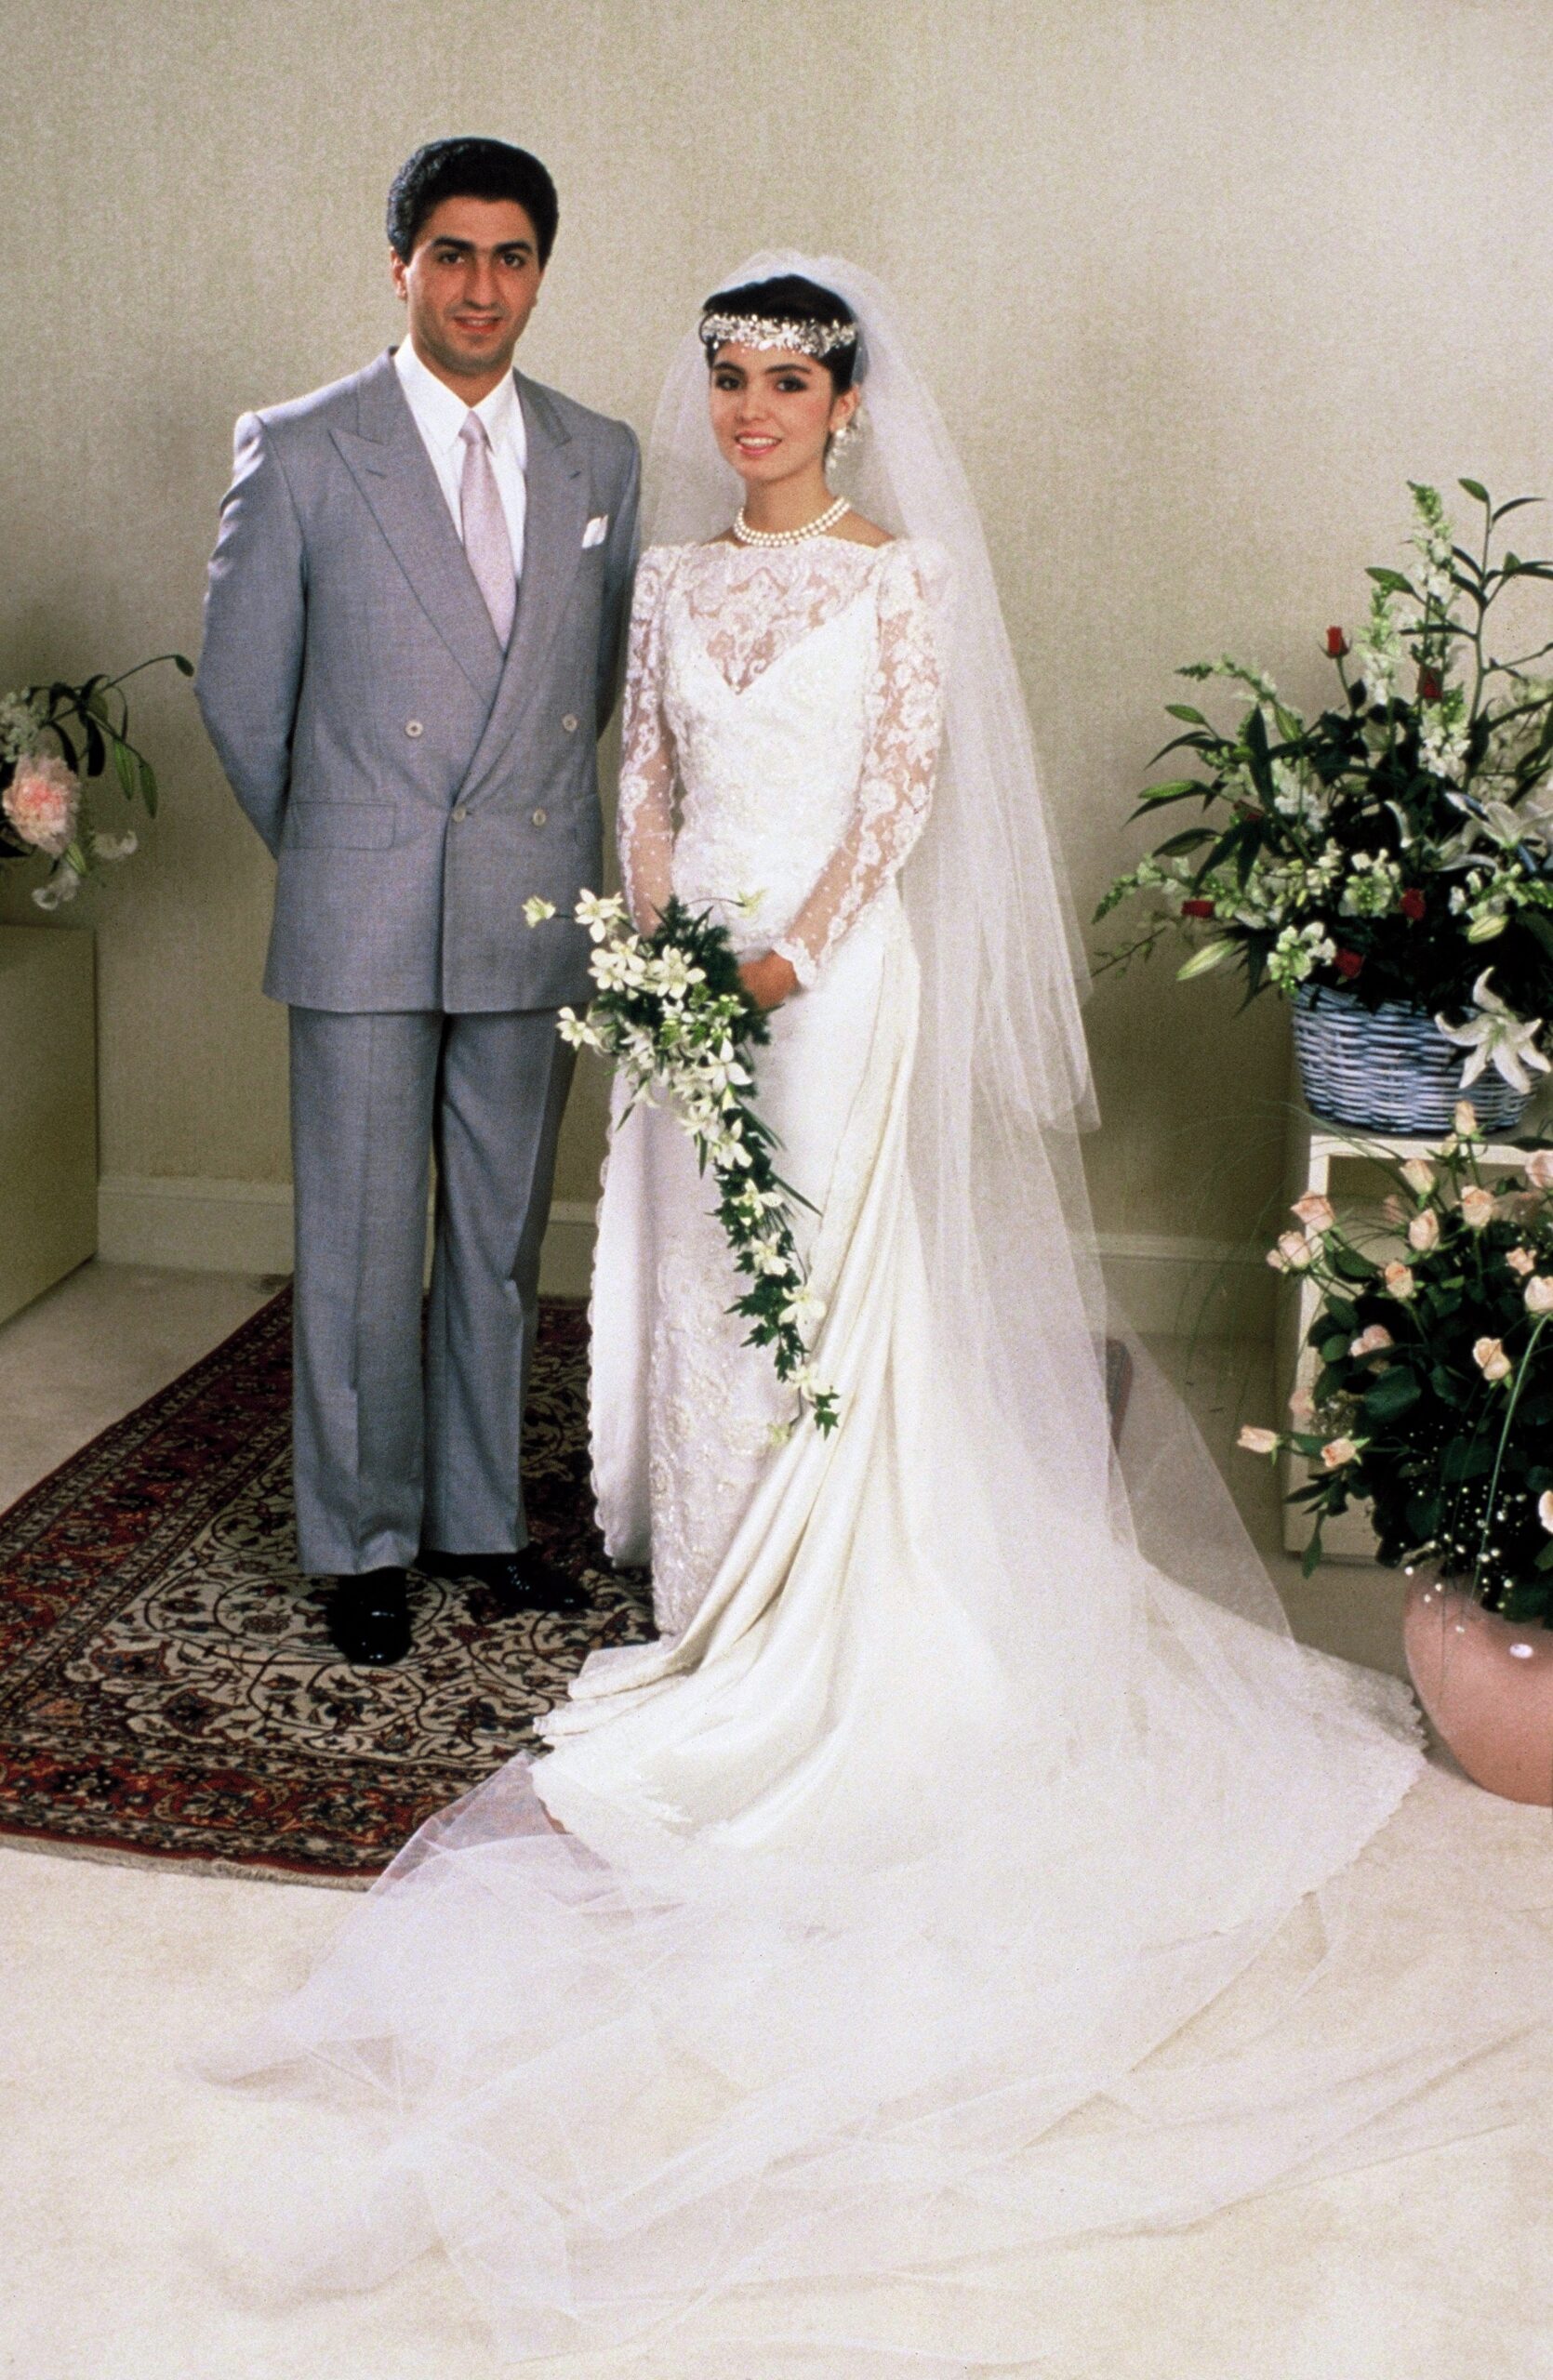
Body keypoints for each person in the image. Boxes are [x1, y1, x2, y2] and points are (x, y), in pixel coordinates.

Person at [206, 258, 1547, 2377]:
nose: (750, 410)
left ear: (846, 401)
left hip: (825, 987)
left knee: (813, 1264)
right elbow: (642, 774)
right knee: (686, 1261)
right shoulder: (666, 574)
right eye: (728, 378)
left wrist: (778, 962)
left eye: (787, 381)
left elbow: (896, 803)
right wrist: (664, 941)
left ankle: (822, 1592)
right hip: (687, 976)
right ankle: (711, 1571)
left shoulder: (898, 580)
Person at [196, 138, 640, 1665]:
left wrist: (491, 831)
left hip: (529, 893)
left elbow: (582, 690)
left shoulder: (599, 457)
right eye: (451, 253)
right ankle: (362, 1541)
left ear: (541, 274)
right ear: (399, 266)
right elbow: (243, 700)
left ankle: (477, 1521)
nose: (480, 286)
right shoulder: (302, 447)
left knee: (502, 1241)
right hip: (363, 902)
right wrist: (349, 843)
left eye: (510, 257)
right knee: (363, 1244)